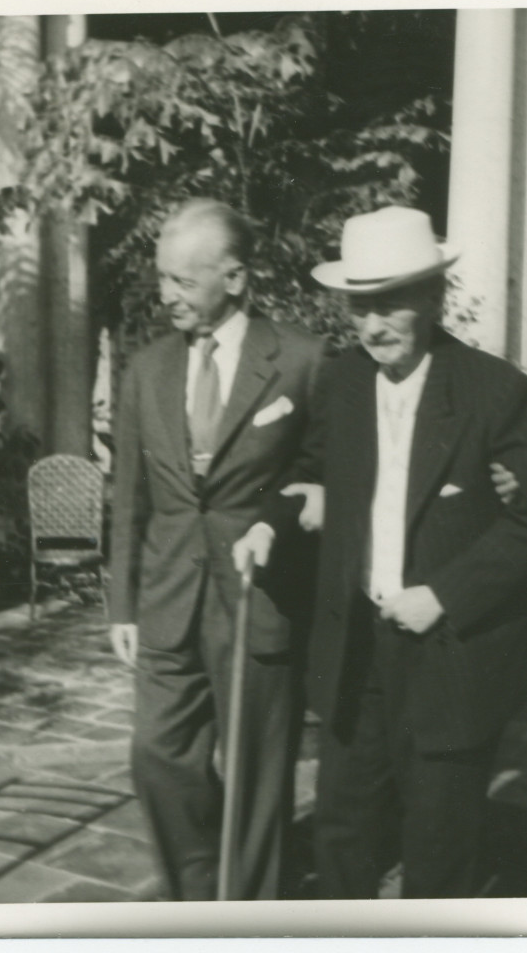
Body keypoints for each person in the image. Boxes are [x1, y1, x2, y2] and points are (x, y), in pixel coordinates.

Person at [235, 206, 527, 899]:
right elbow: (309, 471)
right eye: (358, 307)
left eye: (389, 306)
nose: (371, 325)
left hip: (451, 657)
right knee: (343, 833)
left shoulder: (495, 392)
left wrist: (441, 594)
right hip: (356, 653)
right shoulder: (343, 383)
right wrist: (270, 524)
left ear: (432, 298)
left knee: (439, 849)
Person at [108, 198, 325, 901]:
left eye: (182, 281)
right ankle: (199, 893)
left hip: (259, 594)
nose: (165, 294)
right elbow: (129, 494)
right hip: (169, 596)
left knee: (259, 777)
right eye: (162, 278)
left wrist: (282, 518)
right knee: (156, 755)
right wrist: (123, 604)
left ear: (233, 278)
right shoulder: (146, 368)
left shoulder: (299, 359)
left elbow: (316, 468)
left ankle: (249, 911)